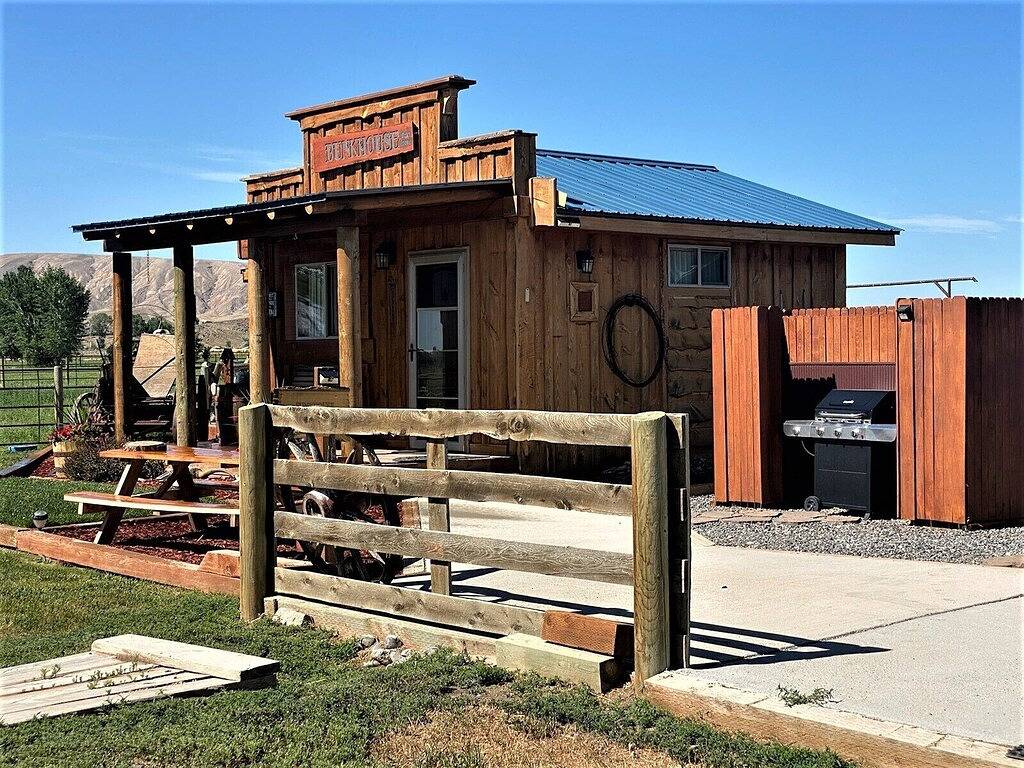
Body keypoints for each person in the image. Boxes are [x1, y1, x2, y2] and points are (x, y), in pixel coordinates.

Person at [212, 348, 236, 445]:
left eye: (229, 358)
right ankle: (222, 437)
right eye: (226, 358)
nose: (227, 360)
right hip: (221, 390)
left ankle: (228, 437)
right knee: (221, 417)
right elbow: (214, 377)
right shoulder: (219, 365)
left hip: (230, 390)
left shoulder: (233, 366)